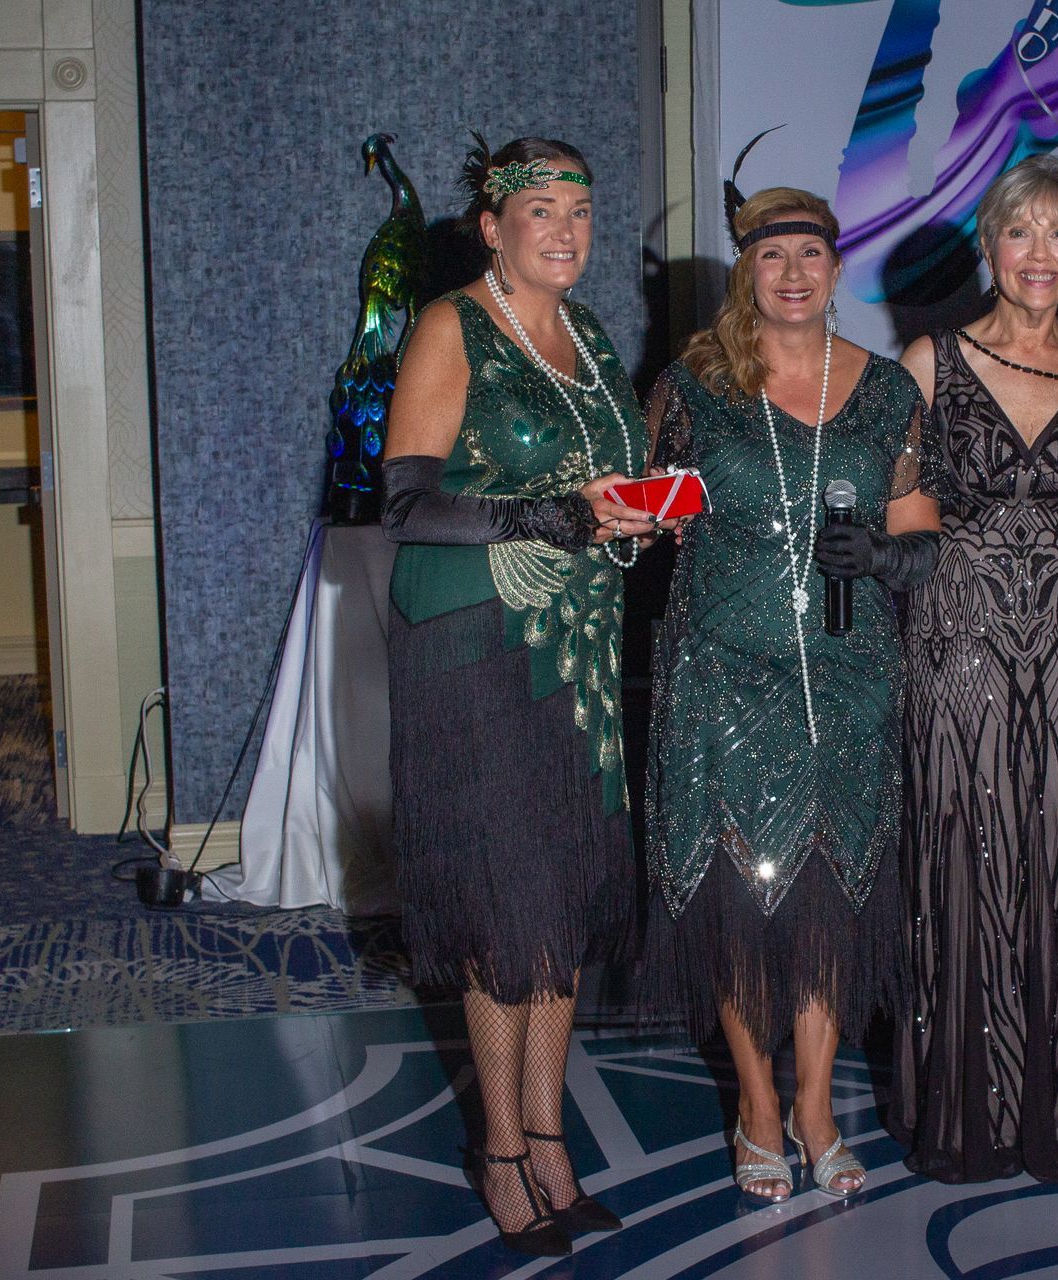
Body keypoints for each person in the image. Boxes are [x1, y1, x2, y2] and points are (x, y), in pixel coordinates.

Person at [380, 135, 657, 1256]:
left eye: (580, 212)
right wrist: (546, 516)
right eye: (540, 210)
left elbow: (600, 480)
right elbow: (403, 499)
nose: (565, 230)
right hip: (476, 645)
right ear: (492, 228)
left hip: (578, 645)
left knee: (558, 904)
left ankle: (551, 1137)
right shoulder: (453, 324)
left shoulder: (587, 336)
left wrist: (636, 510)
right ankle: (501, 1148)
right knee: (505, 906)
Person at [643, 186, 938, 1204]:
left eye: (813, 252)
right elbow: (650, 503)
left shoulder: (891, 389)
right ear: (746, 271)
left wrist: (892, 557)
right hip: (721, 666)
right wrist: (663, 521)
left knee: (823, 899)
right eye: (775, 256)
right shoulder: (692, 381)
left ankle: (817, 1107)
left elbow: (925, 534)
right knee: (735, 899)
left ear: (835, 265)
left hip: (848, 672)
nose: (797, 271)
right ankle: (758, 1104)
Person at [887, 155, 1058, 1184]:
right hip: (959, 646)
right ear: (990, 249)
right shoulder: (926, 362)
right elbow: (903, 516)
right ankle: (970, 1109)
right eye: (1020, 233)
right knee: (968, 858)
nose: (1040, 253)